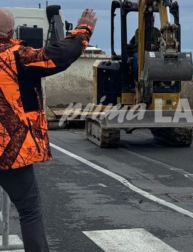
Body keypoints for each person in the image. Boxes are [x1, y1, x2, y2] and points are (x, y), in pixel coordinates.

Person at [0, 8, 97, 252]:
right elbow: (57, 56)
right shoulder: (15, 56)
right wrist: (83, 31)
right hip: (10, 150)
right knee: (29, 210)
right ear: (10, 32)